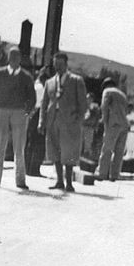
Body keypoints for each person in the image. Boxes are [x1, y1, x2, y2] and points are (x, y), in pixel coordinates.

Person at [0, 46, 36, 189]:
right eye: (12, 57)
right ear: (8, 58)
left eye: (17, 58)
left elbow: (33, 98)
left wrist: (26, 113)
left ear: (20, 60)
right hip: (2, 111)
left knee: (19, 147)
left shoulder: (26, 77)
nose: (14, 60)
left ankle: (20, 180)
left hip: (19, 113)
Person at [39, 52, 87, 192]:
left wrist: (77, 119)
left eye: (60, 65)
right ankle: (59, 181)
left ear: (66, 64)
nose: (57, 67)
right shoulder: (49, 82)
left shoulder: (76, 80)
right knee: (55, 152)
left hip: (69, 122)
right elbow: (44, 104)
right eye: (55, 65)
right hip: (53, 120)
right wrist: (42, 121)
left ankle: (69, 183)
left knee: (69, 153)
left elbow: (83, 104)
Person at [96, 78, 128, 181]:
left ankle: (102, 173)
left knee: (107, 149)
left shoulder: (107, 91)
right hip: (124, 125)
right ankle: (115, 175)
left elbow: (104, 107)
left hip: (113, 124)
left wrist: (104, 122)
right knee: (119, 151)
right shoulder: (122, 94)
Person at [25, 70, 48, 177]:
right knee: (39, 143)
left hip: (31, 114)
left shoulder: (34, 85)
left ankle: (28, 168)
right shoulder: (42, 88)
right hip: (39, 113)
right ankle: (35, 169)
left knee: (30, 142)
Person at [82, 92, 100, 159]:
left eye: (89, 98)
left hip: (90, 127)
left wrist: (96, 126)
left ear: (92, 99)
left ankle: (87, 158)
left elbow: (97, 117)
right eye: (87, 98)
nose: (87, 99)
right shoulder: (83, 106)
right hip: (82, 126)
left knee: (88, 143)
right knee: (80, 143)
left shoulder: (95, 106)